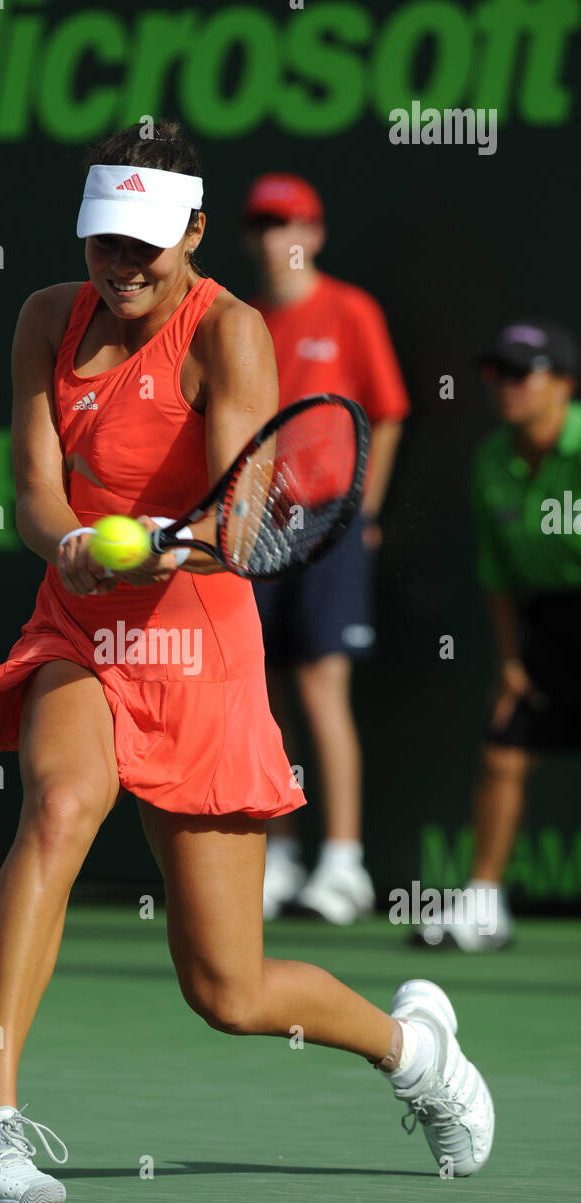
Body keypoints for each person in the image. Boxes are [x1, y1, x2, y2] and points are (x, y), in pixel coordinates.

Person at [0, 122, 492, 1203]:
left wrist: (165, 537)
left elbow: (241, 524)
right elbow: (33, 492)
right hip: (81, 628)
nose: (125, 264)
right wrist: (68, 546)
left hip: (200, 648)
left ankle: (414, 1050)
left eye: (149, 241)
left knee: (228, 989)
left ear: (194, 231)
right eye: (106, 239)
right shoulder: (43, 317)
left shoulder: (232, 334)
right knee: (56, 806)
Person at [242, 174, 410, 923]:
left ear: (314, 231)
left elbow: (390, 412)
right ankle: (280, 858)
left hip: (328, 523)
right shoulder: (241, 320)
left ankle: (344, 865)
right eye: (263, 225)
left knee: (319, 689)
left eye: (288, 223)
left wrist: (361, 514)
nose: (277, 238)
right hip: (255, 528)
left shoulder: (350, 311)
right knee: (262, 696)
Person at [417, 319, 581, 951]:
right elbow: (497, 577)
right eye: (497, 376)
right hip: (545, 624)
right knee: (503, 751)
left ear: (564, 386)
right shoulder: (491, 460)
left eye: (522, 375)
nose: (505, 387)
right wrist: (510, 659)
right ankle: (484, 903)